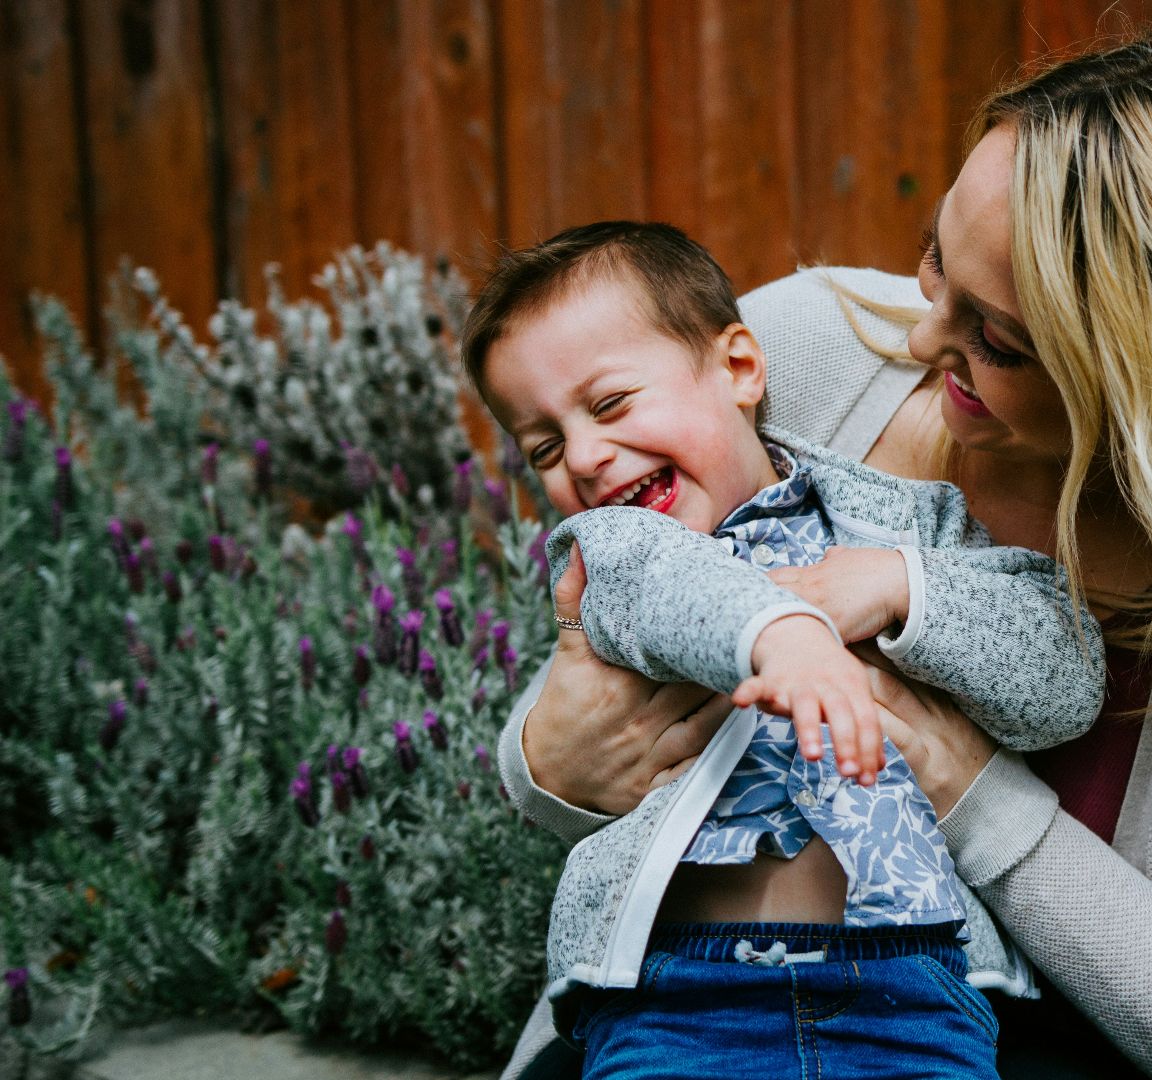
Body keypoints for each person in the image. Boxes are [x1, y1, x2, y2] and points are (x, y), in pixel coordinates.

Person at [498, 35, 1152, 1080]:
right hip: (689, 1014)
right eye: (936, 254)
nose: (925, 335)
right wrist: (550, 766)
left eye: (1001, 341)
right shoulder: (806, 352)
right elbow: (627, 619)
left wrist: (978, 799)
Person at [464, 221, 1108, 1078]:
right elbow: (670, 589)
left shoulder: (905, 527)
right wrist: (784, 633)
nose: (583, 456)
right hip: (679, 996)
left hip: (911, 984)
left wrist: (903, 588)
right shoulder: (610, 557)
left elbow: (1061, 679)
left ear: (738, 368)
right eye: (543, 447)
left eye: (611, 404)